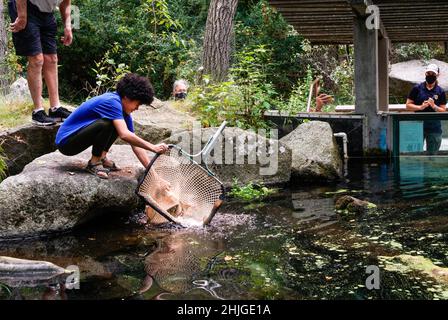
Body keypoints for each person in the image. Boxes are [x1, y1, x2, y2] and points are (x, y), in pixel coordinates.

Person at [55, 73, 169, 179]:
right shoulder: (111, 102)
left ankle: (103, 157)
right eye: (138, 103)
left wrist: (155, 177)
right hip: (66, 142)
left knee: (115, 124)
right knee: (107, 124)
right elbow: (124, 135)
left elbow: (134, 143)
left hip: (74, 140)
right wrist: (152, 147)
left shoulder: (123, 111)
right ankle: (94, 163)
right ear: (127, 97)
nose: (137, 108)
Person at [8, 0, 73, 126]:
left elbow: (65, 3)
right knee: (37, 59)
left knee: (51, 59)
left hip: (47, 12)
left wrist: (68, 26)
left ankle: (55, 108)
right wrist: (22, 16)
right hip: (25, 7)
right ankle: (38, 112)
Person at [406, 64, 447, 155]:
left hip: (434, 128)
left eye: (433, 74)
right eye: (428, 73)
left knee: (432, 155)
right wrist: (420, 107)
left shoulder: (440, 91)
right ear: (425, 73)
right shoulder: (417, 88)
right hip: (418, 126)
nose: (430, 76)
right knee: (415, 154)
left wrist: (434, 106)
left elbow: (443, 110)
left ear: (437, 75)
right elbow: (408, 105)